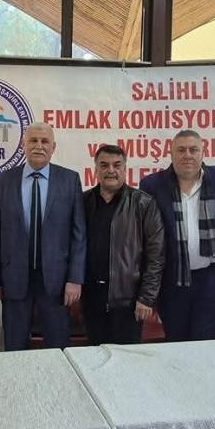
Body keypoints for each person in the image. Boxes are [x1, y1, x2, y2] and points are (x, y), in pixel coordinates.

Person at [0, 122, 86, 350]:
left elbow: (78, 234)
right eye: (33, 141)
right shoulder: (3, 180)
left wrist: (75, 278)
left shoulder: (69, 180)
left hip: (56, 280)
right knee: (15, 345)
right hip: (14, 277)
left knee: (58, 346)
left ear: (53, 147)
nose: (38, 146)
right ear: (24, 145)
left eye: (44, 141)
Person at [140, 129, 215, 341]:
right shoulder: (152, 185)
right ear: (171, 154)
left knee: (207, 340)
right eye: (181, 150)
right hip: (172, 279)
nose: (187, 155)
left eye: (193, 149)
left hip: (211, 278)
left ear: (203, 152)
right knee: (176, 340)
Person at [82, 145, 165, 345]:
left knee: (127, 358)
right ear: (95, 169)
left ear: (125, 168)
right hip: (91, 299)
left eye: (116, 165)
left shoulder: (143, 203)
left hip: (129, 302)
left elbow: (156, 256)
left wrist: (146, 298)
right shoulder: (82, 202)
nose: (110, 170)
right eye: (104, 165)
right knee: (94, 356)